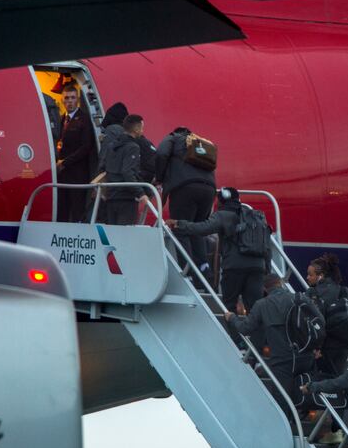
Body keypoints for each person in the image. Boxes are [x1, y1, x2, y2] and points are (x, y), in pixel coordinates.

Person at [224, 274, 315, 412]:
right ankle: (303, 415)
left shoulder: (262, 304)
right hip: (305, 356)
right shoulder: (299, 298)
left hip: (281, 360)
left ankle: (288, 427)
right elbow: (319, 321)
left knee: (281, 399)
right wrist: (316, 346)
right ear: (280, 283)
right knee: (303, 391)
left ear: (265, 289)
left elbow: (245, 328)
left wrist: (232, 318)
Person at [167, 187, 265, 311]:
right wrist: (264, 270)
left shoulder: (223, 215)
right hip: (257, 268)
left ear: (221, 201)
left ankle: (232, 331)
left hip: (234, 268)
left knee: (229, 307)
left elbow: (202, 229)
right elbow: (265, 244)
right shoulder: (256, 216)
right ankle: (252, 331)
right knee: (255, 309)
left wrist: (179, 224)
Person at [156, 127, 216, 275]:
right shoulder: (200, 143)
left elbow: (161, 154)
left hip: (185, 188)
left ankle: (186, 273)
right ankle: (204, 273)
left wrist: (159, 178)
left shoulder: (173, 138)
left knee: (180, 229)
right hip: (209, 189)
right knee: (197, 231)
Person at [306, 253, 348, 376]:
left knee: (321, 381)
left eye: (310, 274)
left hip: (324, 347)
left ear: (320, 276)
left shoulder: (313, 293)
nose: (307, 277)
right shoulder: (344, 290)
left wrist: (317, 347)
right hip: (343, 345)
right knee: (338, 380)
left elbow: (315, 321)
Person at [57, 83, 94, 222]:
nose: (69, 101)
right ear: (62, 100)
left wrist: (65, 163)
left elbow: (86, 147)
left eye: (72, 98)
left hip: (77, 174)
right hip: (62, 175)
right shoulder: (60, 119)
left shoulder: (84, 119)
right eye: (66, 98)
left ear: (77, 99)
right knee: (62, 210)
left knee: (77, 210)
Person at [104, 114, 147, 225]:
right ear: (136, 129)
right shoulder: (133, 147)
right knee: (125, 236)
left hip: (111, 196)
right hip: (126, 198)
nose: (143, 131)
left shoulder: (111, 146)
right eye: (142, 127)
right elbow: (128, 172)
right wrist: (141, 193)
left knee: (112, 236)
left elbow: (103, 167)